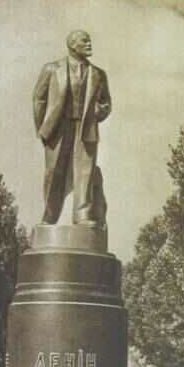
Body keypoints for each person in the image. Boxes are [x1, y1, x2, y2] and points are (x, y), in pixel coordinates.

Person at [33, 30, 111, 227]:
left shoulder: (98, 74)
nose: (89, 44)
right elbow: (38, 98)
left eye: (89, 41)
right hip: (58, 129)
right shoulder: (52, 69)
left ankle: (82, 215)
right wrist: (42, 129)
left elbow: (106, 103)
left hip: (86, 129)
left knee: (85, 173)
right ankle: (50, 216)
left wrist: (98, 112)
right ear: (72, 44)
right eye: (85, 41)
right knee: (54, 173)